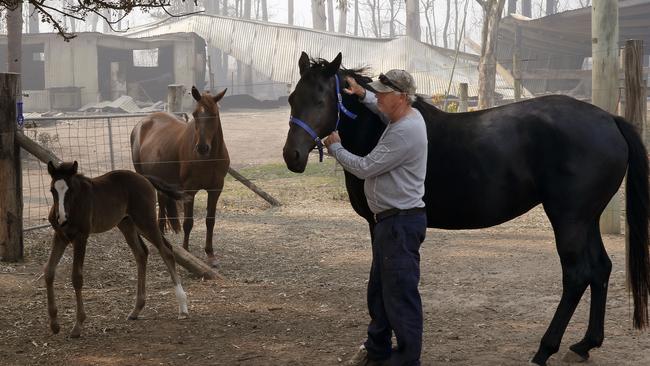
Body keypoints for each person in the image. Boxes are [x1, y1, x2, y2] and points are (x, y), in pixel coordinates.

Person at [323, 69, 428, 366]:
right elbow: (382, 111)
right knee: (381, 290)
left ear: (402, 97)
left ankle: (408, 360)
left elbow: (366, 167)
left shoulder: (405, 131)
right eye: (378, 92)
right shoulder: (406, 118)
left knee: (401, 297)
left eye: (384, 93)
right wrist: (362, 93)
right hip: (392, 222)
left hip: (398, 224)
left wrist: (336, 148)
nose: (378, 96)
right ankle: (379, 350)